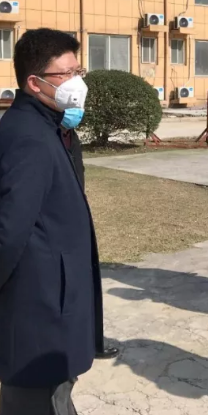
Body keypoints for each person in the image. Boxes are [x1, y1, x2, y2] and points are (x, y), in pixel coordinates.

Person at [0, 29, 102, 415]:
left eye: (79, 71)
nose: (77, 82)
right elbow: (12, 229)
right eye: (66, 74)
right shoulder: (27, 137)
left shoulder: (52, 126)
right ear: (35, 82)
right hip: (40, 297)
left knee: (55, 391)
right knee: (26, 405)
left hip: (58, 294)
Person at [63, 120, 119, 361]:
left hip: (78, 215)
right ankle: (66, 353)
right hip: (57, 222)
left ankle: (91, 343)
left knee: (87, 285)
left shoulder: (70, 136)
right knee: (65, 290)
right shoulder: (44, 136)